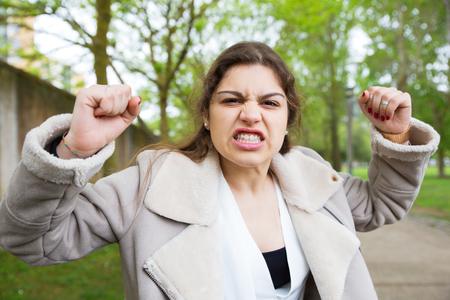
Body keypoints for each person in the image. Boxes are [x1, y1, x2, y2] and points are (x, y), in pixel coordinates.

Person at [0, 42, 440, 300]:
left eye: (270, 102)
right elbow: (30, 241)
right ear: (207, 116)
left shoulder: (314, 178)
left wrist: (395, 138)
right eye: (231, 100)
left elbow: (383, 203)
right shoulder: (148, 185)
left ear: (287, 119)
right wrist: (74, 148)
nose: (251, 113)